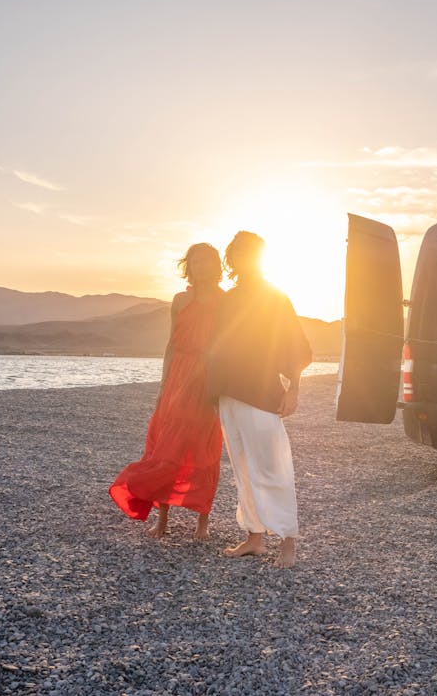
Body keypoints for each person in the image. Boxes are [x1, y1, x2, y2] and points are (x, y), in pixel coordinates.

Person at [206, 231, 312, 567]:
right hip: (228, 393)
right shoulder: (228, 299)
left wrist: (293, 388)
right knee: (242, 468)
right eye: (237, 254)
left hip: (261, 393)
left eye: (249, 253)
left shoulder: (275, 298)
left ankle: (288, 541)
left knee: (272, 467)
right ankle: (254, 537)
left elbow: (295, 346)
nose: (242, 259)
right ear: (232, 259)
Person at [109, 243, 224, 540]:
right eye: (196, 262)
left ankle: (203, 523)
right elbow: (172, 345)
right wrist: (164, 386)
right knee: (166, 449)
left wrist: (220, 385)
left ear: (216, 266)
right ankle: (162, 519)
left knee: (204, 448)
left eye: (207, 262)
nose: (202, 267)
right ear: (190, 266)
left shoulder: (226, 301)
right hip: (178, 378)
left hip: (208, 378)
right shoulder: (180, 300)